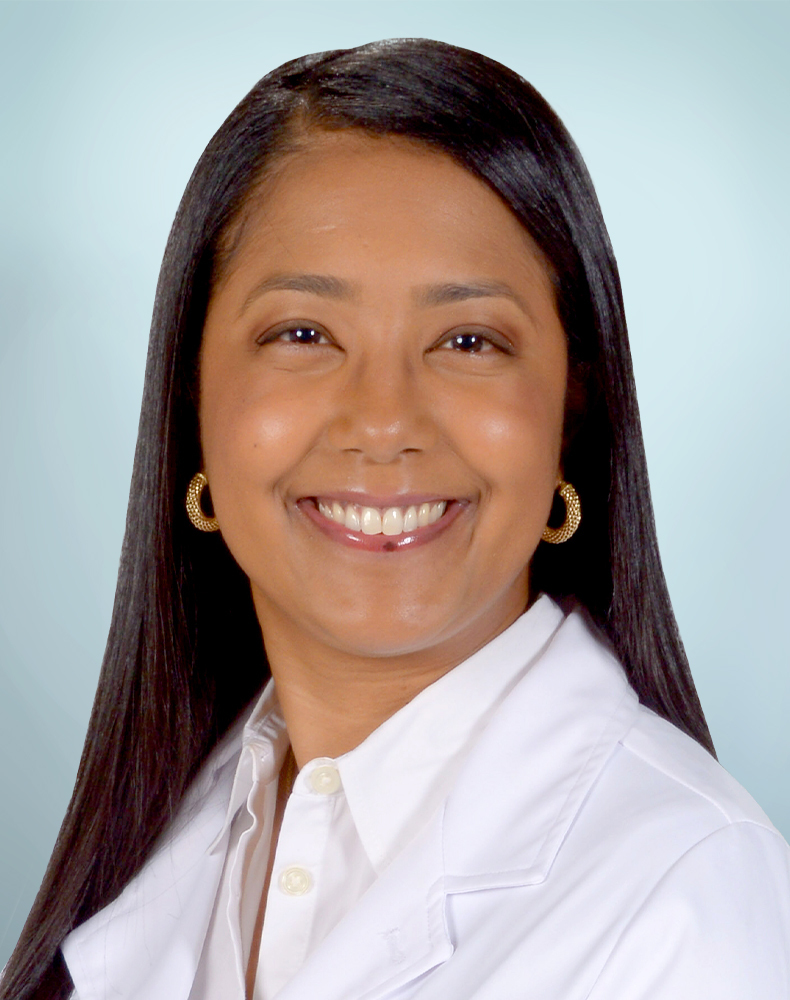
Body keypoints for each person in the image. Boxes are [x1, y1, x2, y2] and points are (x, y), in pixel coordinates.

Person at [3, 37, 789, 1000]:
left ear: (571, 410)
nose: (383, 424)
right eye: (303, 333)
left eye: (468, 340)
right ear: (191, 393)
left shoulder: (693, 896)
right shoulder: (165, 833)